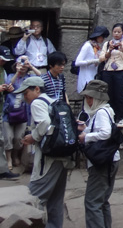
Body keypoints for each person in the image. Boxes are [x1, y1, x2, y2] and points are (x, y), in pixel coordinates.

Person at [19, 75, 75, 228]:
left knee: (33, 198)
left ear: (37, 89)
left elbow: (45, 125)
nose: (25, 98)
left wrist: (33, 136)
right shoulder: (54, 102)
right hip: (63, 156)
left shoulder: (37, 103)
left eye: (26, 93)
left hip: (48, 159)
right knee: (55, 201)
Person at [78, 80, 119, 228]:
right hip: (111, 159)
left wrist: (85, 137)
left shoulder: (101, 112)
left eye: (90, 97)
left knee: (92, 202)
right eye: (87, 97)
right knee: (102, 201)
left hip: (103, 162)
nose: (88, 101)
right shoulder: (105, 110)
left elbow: (105, 133)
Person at [4, 54, 38, 171]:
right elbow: (8, 85)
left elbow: (42, 78)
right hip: (9, 112)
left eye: (24, 64)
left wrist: (31, 66)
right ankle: (8, 158)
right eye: (20, 64)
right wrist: (17, 73)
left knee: (18, 138)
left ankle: (15, 155)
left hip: (23, 113)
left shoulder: (29, 78)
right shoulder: (11, 75)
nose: (22, 66)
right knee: (8, 137)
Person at [98, 24, 123, 122]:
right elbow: (101, 58)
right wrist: (110, 50)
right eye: (115, 32)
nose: (116, 34)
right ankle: (109, 116)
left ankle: (120, 117)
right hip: (107, 70)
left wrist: (122, 49)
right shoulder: (107, 44)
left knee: (119, 94)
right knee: (108, 94)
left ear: (122, 33)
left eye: (119, 32)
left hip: (120, 71)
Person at [0, 47, 19, 179]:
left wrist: (8, 88)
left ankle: (2, 170)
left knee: (1, 140)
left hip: (0, 108)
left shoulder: (3, 71)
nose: (3, 62)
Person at [75, 27, 109, 93]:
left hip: (93, 76)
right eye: (102, 36)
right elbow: (77, 62)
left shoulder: (96, 47)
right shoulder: (87, 45)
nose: (103, 39)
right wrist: (94, 61)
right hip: (86, 77)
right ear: (98, 36)